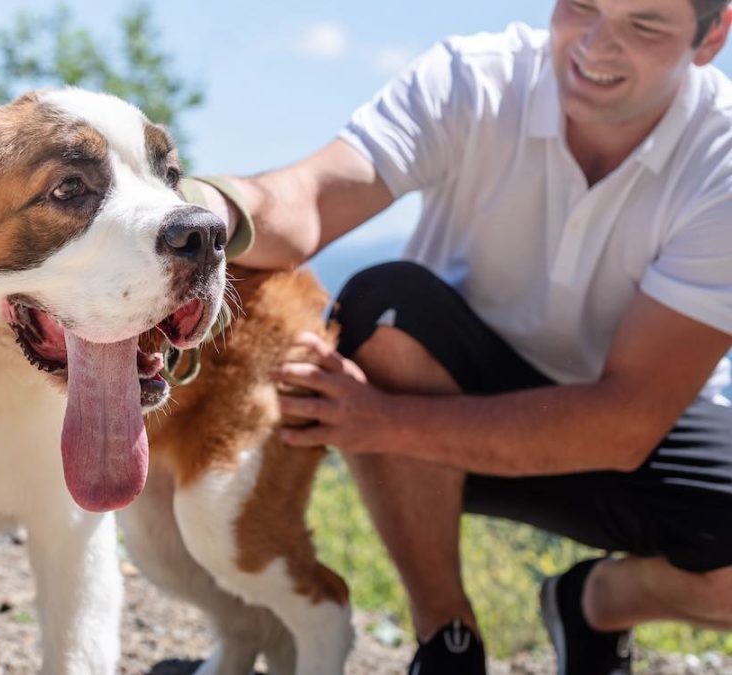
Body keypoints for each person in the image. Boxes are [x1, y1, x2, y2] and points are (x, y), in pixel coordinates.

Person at [180, 1, 732, 673]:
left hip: (616, 430)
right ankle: (448, 639)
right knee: (387, 303)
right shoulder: (472, 79)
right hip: (433, 402)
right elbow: (311, 197)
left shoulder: (722, 160)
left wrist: (384, 421)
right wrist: (200, 207)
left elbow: (625, 424)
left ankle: (596, 599)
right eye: (581, 6)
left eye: (643, 25)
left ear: (711, 36)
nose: (596, 45)